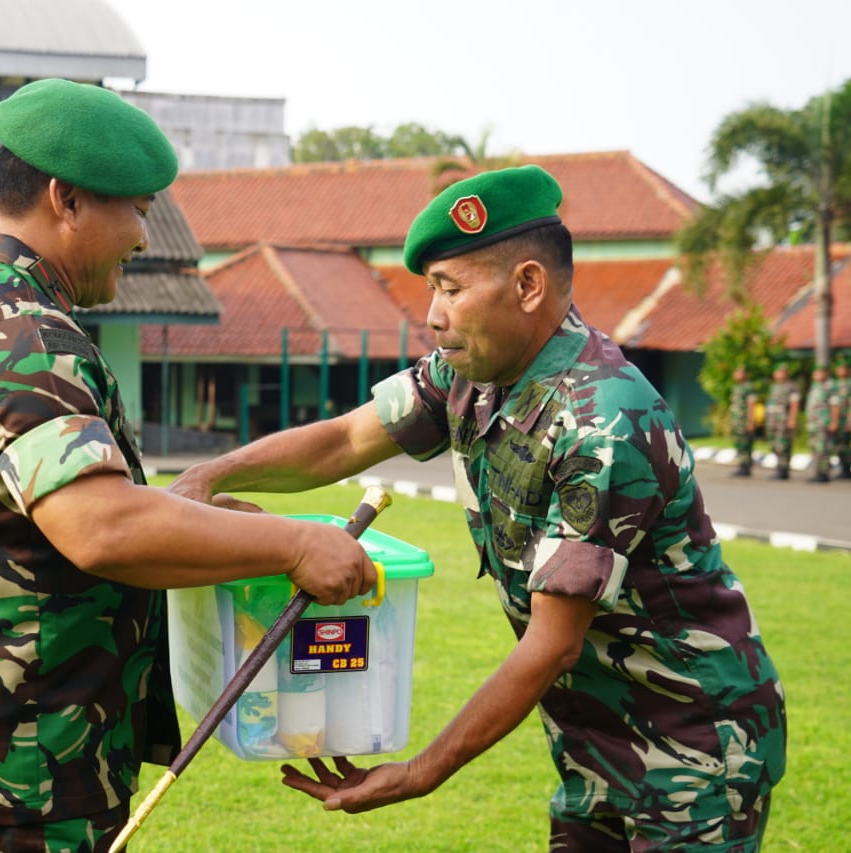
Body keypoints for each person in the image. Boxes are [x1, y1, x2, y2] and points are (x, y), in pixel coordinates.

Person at [170, 165, 787, 851]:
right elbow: (346, 440)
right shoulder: (472, 372)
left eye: (452, 288)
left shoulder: (602, 421)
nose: (433, 315)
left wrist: (419, 772)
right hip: (596, 737)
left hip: (696, 745)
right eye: (432, 289)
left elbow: (553, 642)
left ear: (527, 286)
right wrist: (208, 476)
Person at [0, 79, 375, 853]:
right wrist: (297, 543)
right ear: (67, 199)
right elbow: (103, 528)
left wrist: (196, 520)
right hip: (20, 756)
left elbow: (59, 513)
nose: (143, 238)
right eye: (137, 210)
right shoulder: (19, 331)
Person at [764, 363, 801, 480]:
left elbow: (794, 404)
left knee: (783, 445)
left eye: (783, 371)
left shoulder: (792, 386)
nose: (780, 374)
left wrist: (792, 419)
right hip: (772, 420)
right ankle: (780, 467)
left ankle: (783, 469)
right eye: (778, 371)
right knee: (773, 444)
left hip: (783, 420)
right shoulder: (773, 386)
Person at [804, 364, 836, 483]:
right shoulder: (815, 387)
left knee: (822, 448)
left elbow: (835, 405)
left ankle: (823, 473)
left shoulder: (830, 387)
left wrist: (833, 422)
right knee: (814, 448)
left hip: (823, 423)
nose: (818, 375)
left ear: (826, 374)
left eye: (821, 372)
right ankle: (817, 472)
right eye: (816, 373)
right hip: (813, 424)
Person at [728, 364, 758, 477]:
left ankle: (746, 467)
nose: (737, 374)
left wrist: (750, 422)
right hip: (737, 421)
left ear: (746, 374)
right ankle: (741, 465)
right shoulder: (736, 387)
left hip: (744, 421)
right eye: (736, 372)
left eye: (740, 372)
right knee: (739, 443)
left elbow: (751, 405)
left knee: (746, 444)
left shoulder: (749, 388)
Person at [832, 358, 851, 479]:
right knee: (839, 445)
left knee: (845, 446)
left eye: (844, 368)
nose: (841, 370)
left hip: (846, 419)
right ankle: (845, 469)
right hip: (837, 420)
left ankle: (846, 469)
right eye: (839, 368)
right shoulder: (834, 384)